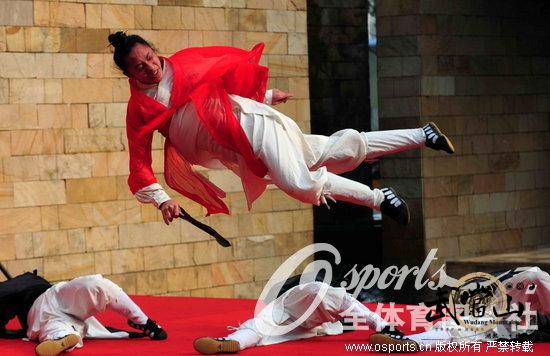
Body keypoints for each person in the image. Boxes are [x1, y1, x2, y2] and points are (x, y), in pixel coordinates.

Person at [108, 32, 455, 227]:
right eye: (139, 67)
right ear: (129, 76)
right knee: (333, 153)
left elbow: (228, 80)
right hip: (239, 149)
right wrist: (163, 200)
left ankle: (381, 198)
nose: (150, 68)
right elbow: (138, 164)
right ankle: (423, 135)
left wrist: (268, 96)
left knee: (300, 184)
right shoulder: (138, 110)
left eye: (150, 58)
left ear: (156, 51)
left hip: (254, 126)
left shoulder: (184, 64)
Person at [192, 280, 417, 354]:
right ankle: (391, 332)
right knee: (345, 303)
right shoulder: (339, 299)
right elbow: (363, 313)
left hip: (291, 310)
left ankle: (235, 342)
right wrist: (386, 327)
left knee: (259, 327)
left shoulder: (335, 310)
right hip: (304, 300)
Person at [369, 267, 550, 349]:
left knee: (470, 328)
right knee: (467, 326)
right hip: (513, 306)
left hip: (527, 319)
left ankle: (412, 342)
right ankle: (412, 342)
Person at [0, 272, 167, 356]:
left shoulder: (21, 286)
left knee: (95, 285)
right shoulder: (25, 284)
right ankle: (63, 337)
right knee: (95, 286)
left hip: (43, 306)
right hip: (55, 306)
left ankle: (62, 336)